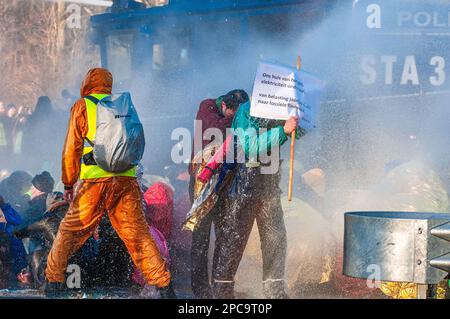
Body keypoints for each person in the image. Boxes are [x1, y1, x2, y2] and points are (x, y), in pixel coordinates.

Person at [44, 68, 174, 298]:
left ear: (87, 83)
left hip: (94, 181)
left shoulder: (83, 106)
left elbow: (71, 148)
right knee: (138, 235)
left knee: (69, 231)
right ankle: (164, 285)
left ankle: (53, 282)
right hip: (126, 179)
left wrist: (67, 183)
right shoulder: (122, 105)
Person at [211, 100, 299, 299]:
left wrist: (296, 123)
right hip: (244, 186)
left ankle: (274, 292)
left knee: (276, 239)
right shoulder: (245, 110)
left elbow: (294, 134)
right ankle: (222, 294)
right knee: (233, 241)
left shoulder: (280, 111)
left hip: (269, 187)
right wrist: (283, 130)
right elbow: (250, 146)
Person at [189, 90, 249, 299]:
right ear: (224, 105)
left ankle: (218, 284)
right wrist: (240, 124)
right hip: (201, 180)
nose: (238, 120)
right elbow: (215, 129)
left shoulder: (230, 116)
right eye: (235, 115)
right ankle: (200, 289)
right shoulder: (206, 106)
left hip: (224, 180)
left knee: (224, 234)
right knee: (201, 236)